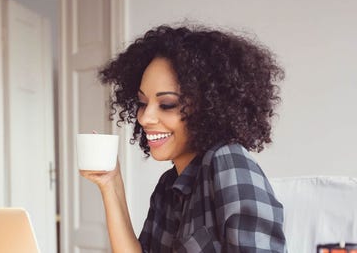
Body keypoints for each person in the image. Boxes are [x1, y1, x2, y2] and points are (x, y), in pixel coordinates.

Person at [80, 24, 287, 253]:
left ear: (208, 108)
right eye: (142, 103)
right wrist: (111, 184)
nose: (145, 117)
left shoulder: (229, 162)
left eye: (167, 104)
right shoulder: (167, 187)